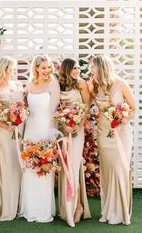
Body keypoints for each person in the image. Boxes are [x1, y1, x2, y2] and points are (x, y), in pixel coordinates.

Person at [88, 55, 135, 225]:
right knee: (107, 171)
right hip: (103, 132)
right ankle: (108, 210)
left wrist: (122, 120)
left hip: (121, 132)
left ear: (101, 67)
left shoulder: (120, 83)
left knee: (119, 168)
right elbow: (87, 104)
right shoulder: (94, 85)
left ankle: (121, 212)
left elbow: (133, 107)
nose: (90, 70)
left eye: (92, 67)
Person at [19, 55, 60, 223]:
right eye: (43, 67)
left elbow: (54, 110)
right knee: (29, 168)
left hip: (45, 130)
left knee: (44, 167)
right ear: (36, 68)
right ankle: (30, 209)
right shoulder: (29, 85)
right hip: (30, 131)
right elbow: (24, 108)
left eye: (48, 67)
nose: (46, 70)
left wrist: (51, 134)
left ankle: (43, 210)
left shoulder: (53, 83)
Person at [0, 56, 23, 221]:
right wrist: (6, 125)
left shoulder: (17, 85)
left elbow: (23, 107)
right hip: (5, 131)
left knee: (19, 167)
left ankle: (18, 207)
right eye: (12, 68)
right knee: (8, 167)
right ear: (5, 69)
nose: (14, 71)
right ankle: (6, 208)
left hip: (19, 131)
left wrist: (20, 119)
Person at [58, 58, 91, 227]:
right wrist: (64, 124)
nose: (78, 70)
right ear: (66, 69)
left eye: (79, 68)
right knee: (65, 166)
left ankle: (77, 207)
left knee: (74, 166)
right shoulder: (58, 84)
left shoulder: (82, 84)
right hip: (63, 130)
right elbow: (56, 108)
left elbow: (86, 108)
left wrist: (77, 125)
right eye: (74, 68)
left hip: (77, 130)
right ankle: (66, 208)